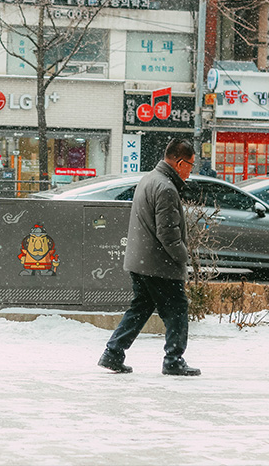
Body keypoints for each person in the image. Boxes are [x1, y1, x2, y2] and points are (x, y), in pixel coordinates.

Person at [98, 138, 201, 376]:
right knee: (177, 309)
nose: (191, 171)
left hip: (141, 261)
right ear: (179, 162)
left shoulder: (149, 179)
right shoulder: (165, 188)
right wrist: (183, 257)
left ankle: (113, 353)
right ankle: (174, 360)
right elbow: (169, 235)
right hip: (159, 264)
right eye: (190, 165)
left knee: (141, 307)